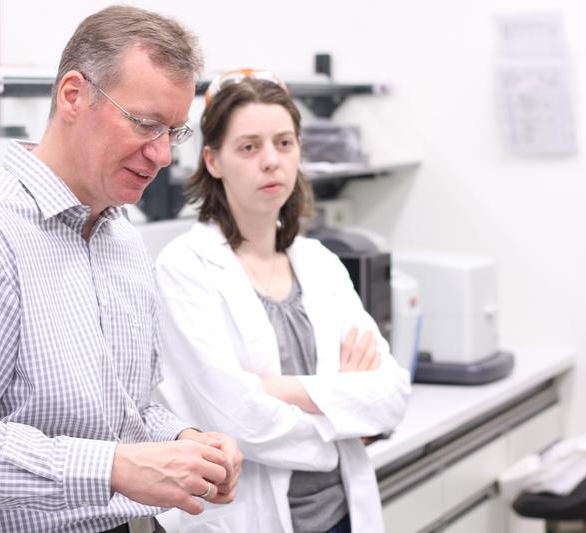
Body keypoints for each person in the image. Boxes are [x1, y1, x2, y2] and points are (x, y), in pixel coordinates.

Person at [0, 6, 241, 533]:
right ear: (73, 95)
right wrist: (113, 469)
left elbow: (124, 412)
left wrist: (183, 442)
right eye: (144, 123)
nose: (162, 154)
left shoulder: (121, 240)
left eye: (174, 130)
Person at [154, 69, 411, 533]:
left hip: (342, 514)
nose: (271, 161)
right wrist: (344, 416)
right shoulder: (184, 268)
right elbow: (239, 419)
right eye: (249, 147)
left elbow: (391, 396)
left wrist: (277, 388)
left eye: (284, 143)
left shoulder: (319, 262)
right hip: (250, 517)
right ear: (212, 160)